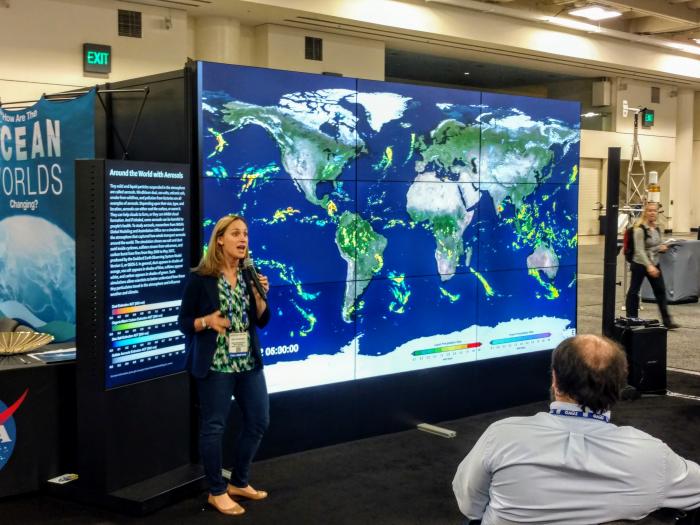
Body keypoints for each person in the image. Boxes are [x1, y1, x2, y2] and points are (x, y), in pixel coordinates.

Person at [452, 334, 700, 525]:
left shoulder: (502, 436)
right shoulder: (653, 455)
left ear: (555, 380)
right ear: (619, 387)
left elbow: (469, 505)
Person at [178, 214, 271, 517]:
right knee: (214, 427)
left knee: (258, 420)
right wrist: (207, 321)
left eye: (245, 233)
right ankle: (217, 491)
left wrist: (259, 298)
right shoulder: (201, 278)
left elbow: (262, 320)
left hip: (247, 362)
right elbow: (183, 323)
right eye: (235, 234)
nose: (243, 239)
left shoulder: (249, 275)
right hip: (216, 365)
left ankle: (239, 482)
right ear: (220, 239)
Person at [625, 201, 679, 329]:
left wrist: (662, 247)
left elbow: (654, 246)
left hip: (654, 263)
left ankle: (667, 321)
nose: (652, 213)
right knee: (634, 291)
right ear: (645, 212)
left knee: (660, 291)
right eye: (649, 210)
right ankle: (632, 319)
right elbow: (639, 251)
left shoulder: (657, 228)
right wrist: (649, 266)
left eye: (654, 211)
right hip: (640, 263)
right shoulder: (639, 229)